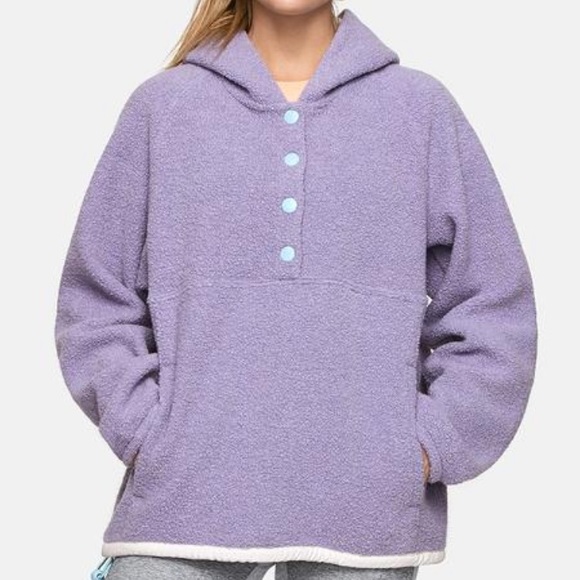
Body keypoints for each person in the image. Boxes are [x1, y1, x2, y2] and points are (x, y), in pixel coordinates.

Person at [53, 1, 538, 579]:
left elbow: (492, 307)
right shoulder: (163, 109)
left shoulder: (419, 109)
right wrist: (147, 432)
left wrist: (428, 445)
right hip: (183, 499)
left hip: (366, 514)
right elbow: (95, 302)